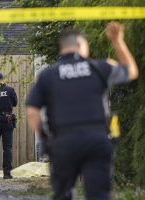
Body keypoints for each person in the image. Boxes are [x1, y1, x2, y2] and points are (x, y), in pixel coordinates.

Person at [26, 22, 138, 200]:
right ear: (80, 45)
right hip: (96, 140)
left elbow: (32, 111)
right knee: (98, 194)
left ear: (62, 47)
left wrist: (44, 139)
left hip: (63, 142)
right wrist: (117, 41)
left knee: (63, 194)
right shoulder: (99, 67)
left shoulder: (47, 75)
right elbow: (131, 71)